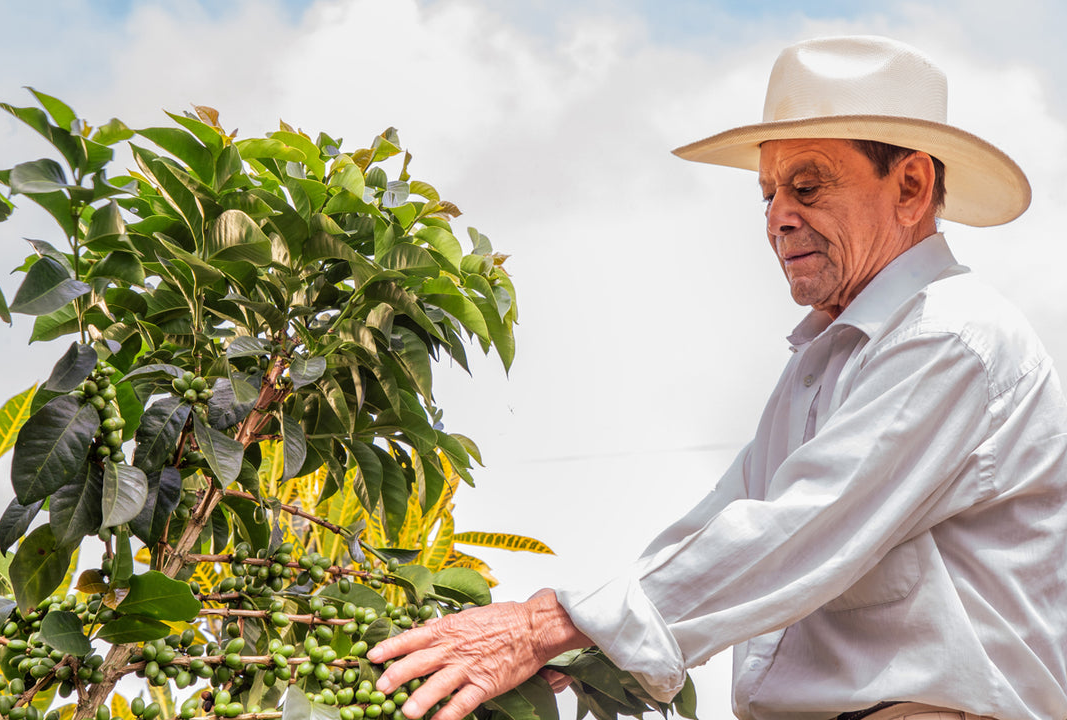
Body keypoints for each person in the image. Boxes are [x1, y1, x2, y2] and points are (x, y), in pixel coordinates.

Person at [368, 36, 1067, 720]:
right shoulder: (828, 358)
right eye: (767, 195)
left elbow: (796, 531)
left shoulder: (949, 337)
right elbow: (721, 524)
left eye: (807, 186)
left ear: (910, 186)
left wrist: (541, 626)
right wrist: (578, 644)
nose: (778, 219)